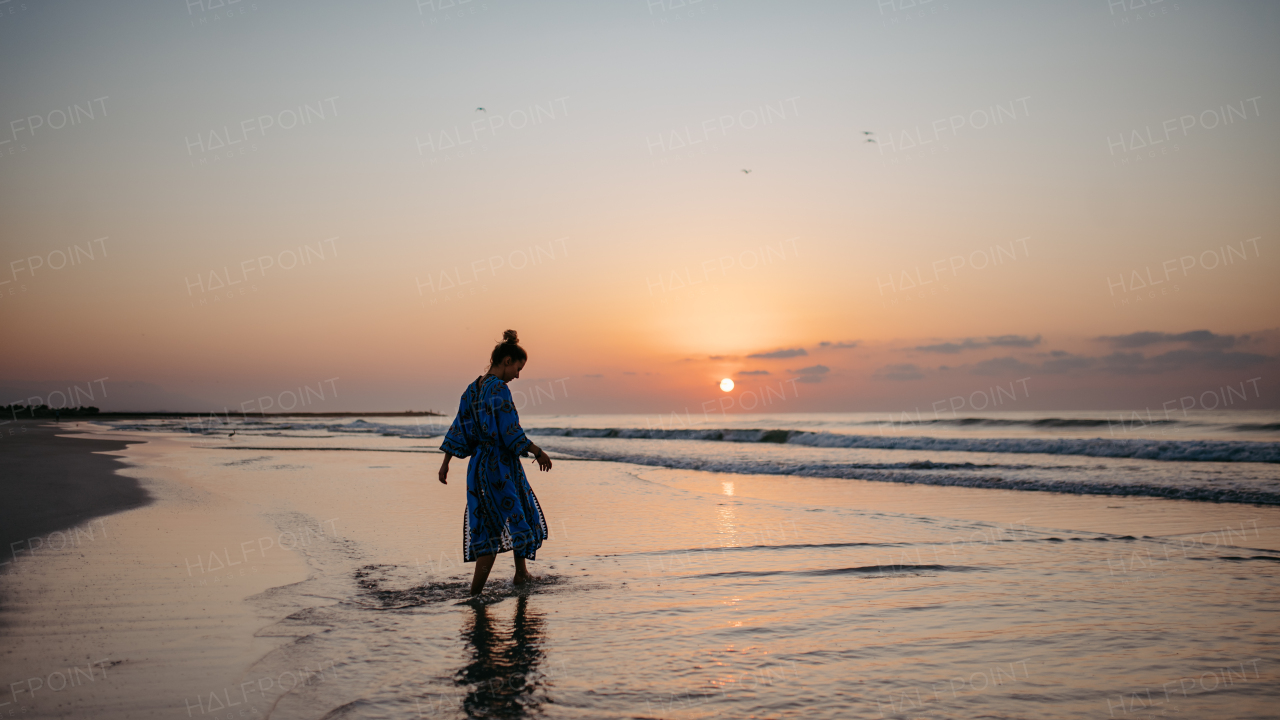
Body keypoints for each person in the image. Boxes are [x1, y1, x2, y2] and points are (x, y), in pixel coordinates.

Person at [438, 329, 554, 596]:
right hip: (498, 465)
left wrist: (446, 463)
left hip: (478, 465)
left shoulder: (471, 389)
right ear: (506, 360)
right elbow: (510, 432)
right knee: (495, 525)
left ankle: (521, 572)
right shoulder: (499, 389)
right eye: (518, 367)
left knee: (517, 511)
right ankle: (475, 593)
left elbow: (459, 428)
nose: (517, 375)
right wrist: (537, 451)